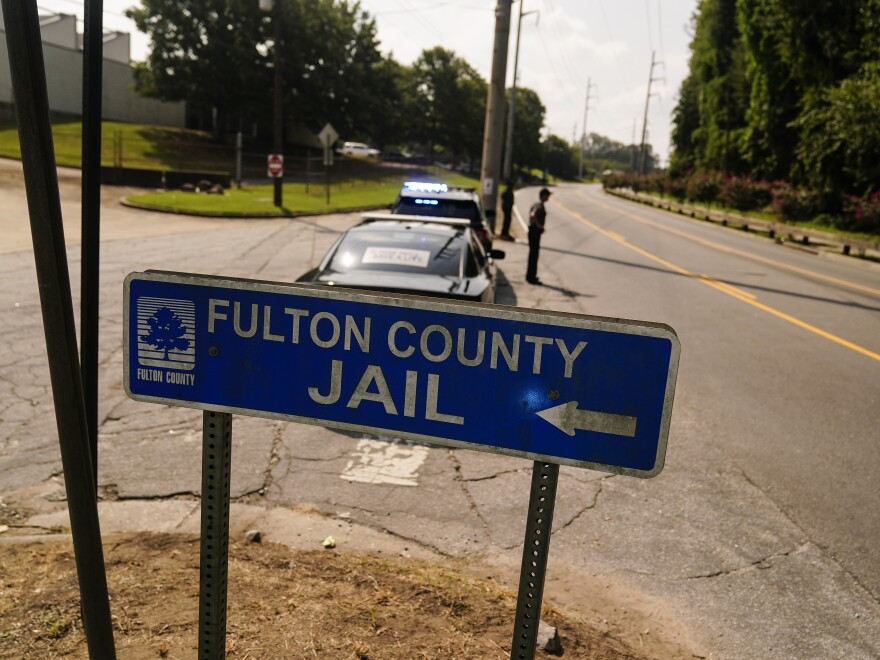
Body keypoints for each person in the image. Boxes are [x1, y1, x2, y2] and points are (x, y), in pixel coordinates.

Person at [526, 187, 551, 285]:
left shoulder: (538, 205)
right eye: (547, 195)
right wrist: (539, 226)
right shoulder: (538, 206)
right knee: (534, 255)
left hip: (534, 232)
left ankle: (531, 276)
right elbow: (533, 215)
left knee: (533, 254)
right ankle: (531, 277)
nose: (548, 197)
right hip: (534, 233)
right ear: (543, 196)